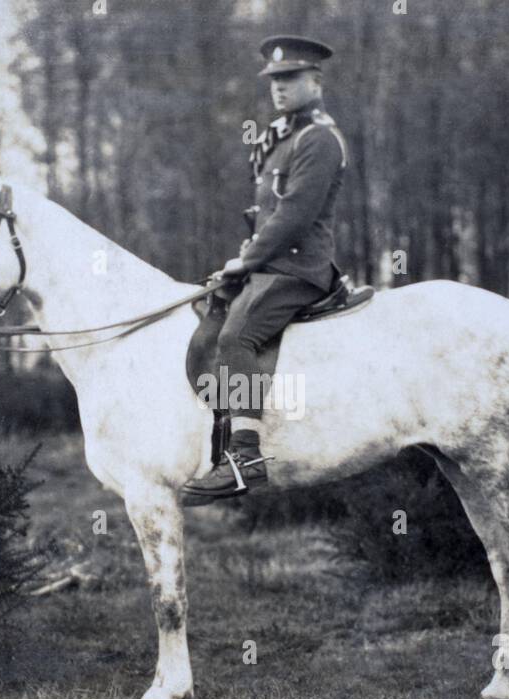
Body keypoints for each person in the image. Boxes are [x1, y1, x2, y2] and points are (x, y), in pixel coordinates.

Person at [181, 34, 349, 503]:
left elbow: (295, 216)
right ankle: (211, 442)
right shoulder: (281, 138)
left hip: (299, 269)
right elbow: (266, 214)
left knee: (239, 335)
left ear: (315, 81)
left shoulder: (318, 139)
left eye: (290, 78)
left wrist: (249, 261)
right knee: (210, 314)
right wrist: (245, 254)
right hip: (269, 263)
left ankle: (246, 458)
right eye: (274, 79)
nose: (279, 87)